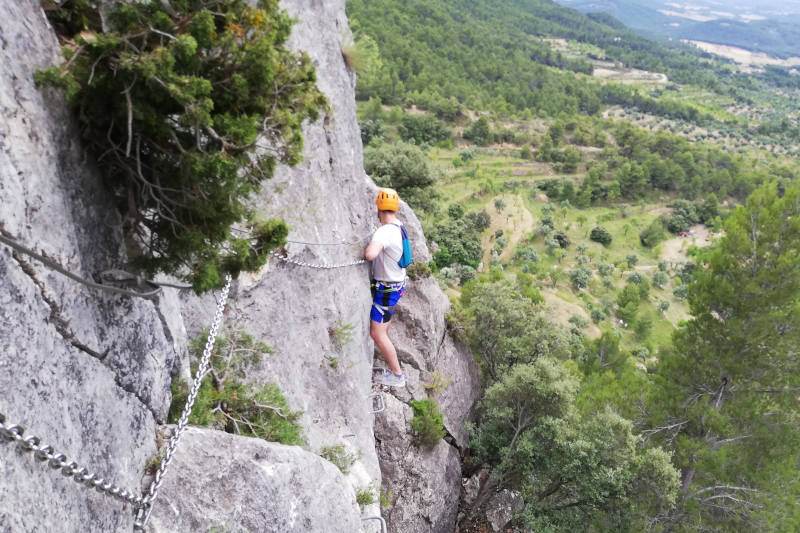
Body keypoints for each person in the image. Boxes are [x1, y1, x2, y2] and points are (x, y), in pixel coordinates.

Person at [365, 188, 407, 387]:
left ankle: (397, 375)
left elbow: (370, 255)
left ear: (379, 209)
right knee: (384, 326)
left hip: (387, 290)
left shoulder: (384, 231)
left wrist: (370, 244)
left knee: (377, 333)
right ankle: (395, 370)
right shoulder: (399, 226)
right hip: (397, 285)